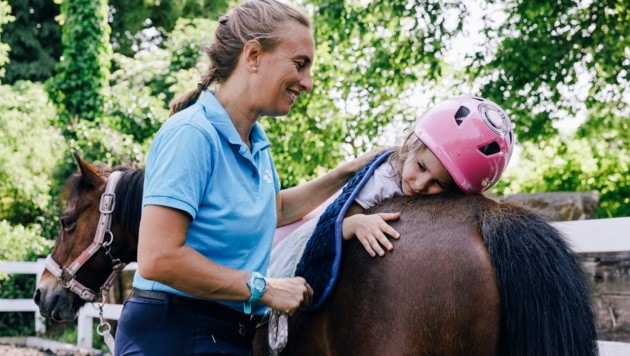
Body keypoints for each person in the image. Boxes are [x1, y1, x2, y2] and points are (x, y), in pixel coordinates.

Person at [113, 0, 384, 354]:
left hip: (227, 332)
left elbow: (275, 209)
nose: (308, 83)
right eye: (300, 65)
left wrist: (348, 172)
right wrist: (263, 287)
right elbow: (159, 257)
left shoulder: (256, 142)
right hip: (174, 333)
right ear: (253, 55)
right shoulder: (192, 134)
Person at [270, 95, 514, 274]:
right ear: (409, 148)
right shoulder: (385, 177)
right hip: (312, 235)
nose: (419, 184)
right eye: (420, 166)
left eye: (437, 183)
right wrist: (357, 223)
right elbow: (338, 219)